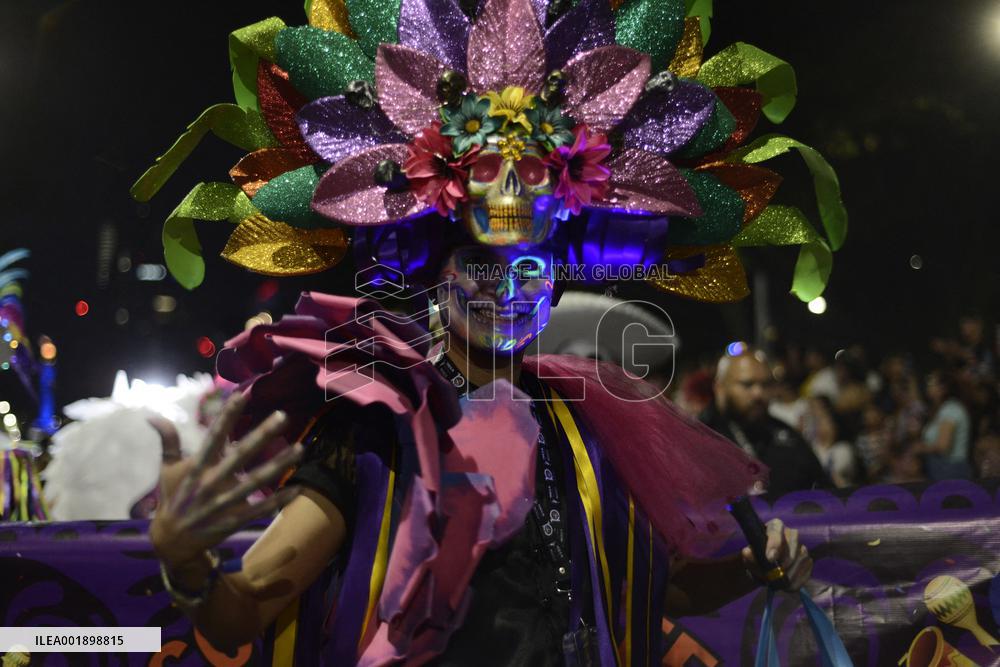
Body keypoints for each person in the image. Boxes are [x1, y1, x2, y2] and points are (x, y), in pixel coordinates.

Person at [136, 0, 845, 661]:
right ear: (436, 270)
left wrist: (750, 569)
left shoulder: (586, 425)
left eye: (529, 261)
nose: (507, 286)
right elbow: (238, 614)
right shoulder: (377, 429)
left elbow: (652, 590)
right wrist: (190, 565)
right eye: (480, 260)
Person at [702, 350, 828, 497]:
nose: (758, 393)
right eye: (747, 384)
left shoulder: (787, 436)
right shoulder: (699, 436)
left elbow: (825, 492)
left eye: (766, 384)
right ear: (720, 388)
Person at [918, 370, 972, 480]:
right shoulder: (941, 410)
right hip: (940, 469)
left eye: (932, 383)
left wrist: (918, 448)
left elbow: (942, 447)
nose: (928, 386)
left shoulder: (951, 409)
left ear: (943, 388)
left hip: (950, 471)